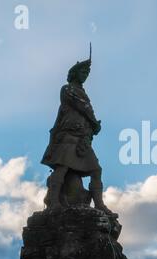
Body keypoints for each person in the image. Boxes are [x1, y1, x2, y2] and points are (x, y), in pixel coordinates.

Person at [41, 45, 110, 212]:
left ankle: (99, 204)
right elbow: (82, 107)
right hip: (68, 135)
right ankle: (53, 201)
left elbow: (86, 110)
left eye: (87, 73)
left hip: (82, 139)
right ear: (74, 74)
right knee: (62, 167)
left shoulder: (82, 93)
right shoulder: (68, 89)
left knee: (96, 169)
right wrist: (94, 122)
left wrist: (93, 128)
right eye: (82, 72)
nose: (85, 75)